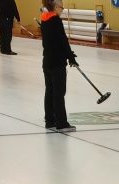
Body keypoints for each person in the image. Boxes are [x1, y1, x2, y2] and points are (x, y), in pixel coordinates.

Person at [39, 0, 75, 132]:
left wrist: (69, 55)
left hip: (47, 61)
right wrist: (70, 56)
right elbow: (63, 41)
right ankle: (61, 123)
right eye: (61, 7)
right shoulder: (55, 21)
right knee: (59, 93)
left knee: (50, 91)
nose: (62, 10)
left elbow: (54, 42)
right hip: (57, 63)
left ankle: (50, 120)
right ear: (55, 7)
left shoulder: (44, 19)